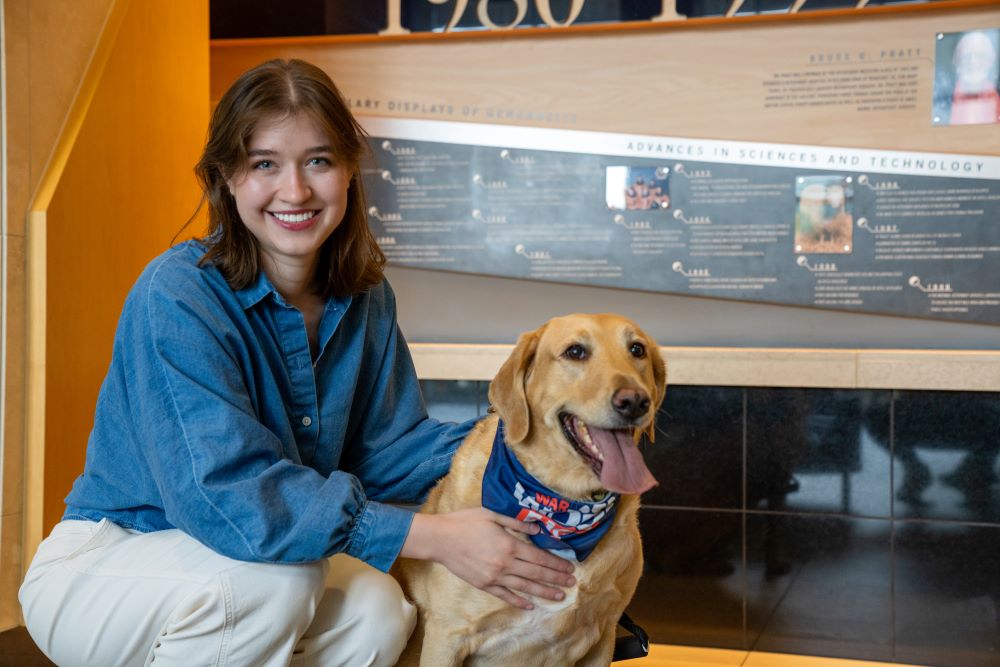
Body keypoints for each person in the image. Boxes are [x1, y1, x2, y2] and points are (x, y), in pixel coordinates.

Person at [18, 59, 575, 667]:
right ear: (225, 178)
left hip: (237, 565)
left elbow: (390, 453)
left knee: (379, 612)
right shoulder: (176, 294)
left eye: (319, 160)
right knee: (279, 583)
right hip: (111, 559)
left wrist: (534, 442)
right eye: (264, 164)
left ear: (348, 171)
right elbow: (229, 496)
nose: (296, 191)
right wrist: (438, 539)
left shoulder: (364, 298)